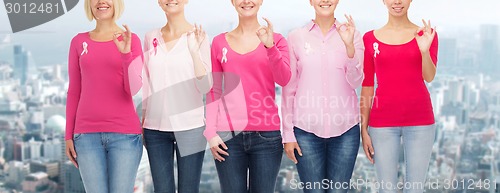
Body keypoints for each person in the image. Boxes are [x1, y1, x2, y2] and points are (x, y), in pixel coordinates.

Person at [204, 0, 291, 192]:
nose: (246, 1)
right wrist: (210, 132)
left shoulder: (276, 40)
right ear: (233, 2)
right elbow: (213, 90)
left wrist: (270, 48)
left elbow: (284, 79)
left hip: (267, 137)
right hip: (228, 137)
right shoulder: (219, 42)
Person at [281, 0, 364, 192]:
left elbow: (356, 81)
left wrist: (349, 46)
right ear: (310, 1)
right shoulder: (296, 37)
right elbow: (289, 88)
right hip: (305, 132)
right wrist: (287, 133)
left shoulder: (354, 35)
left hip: (346, 131)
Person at [64, 0, 144, 192]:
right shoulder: (78, 41)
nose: (101, 1)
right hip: (86, 137)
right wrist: (68, 135)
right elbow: (74, 90)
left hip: (125, 135)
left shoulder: (132, 40)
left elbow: (133, 89)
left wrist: (125, 55)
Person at [360, 0, 438, 192]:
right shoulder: (369, 39)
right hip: (382, 124)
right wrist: (364, 128)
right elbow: (367, 85)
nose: (397, 1)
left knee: (415, 189)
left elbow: (429, 76)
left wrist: (424, 50)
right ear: (383, 1)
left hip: (420, 121)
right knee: (386, 189)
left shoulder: (426, 35)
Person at [141, 0, 212, 192]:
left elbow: (205, 86)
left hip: (191, 128)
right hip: (155, 129)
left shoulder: (199, 37)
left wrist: (195, 53)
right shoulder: (150, 37)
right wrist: (143, 120)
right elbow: (147, 83)